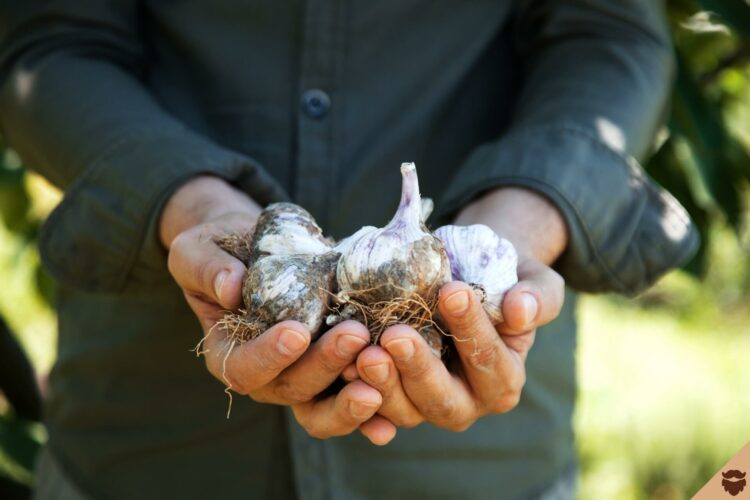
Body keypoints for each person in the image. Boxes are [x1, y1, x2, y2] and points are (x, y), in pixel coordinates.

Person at [0, 1, 698, 499]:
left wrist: (524, 216)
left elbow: (607, 32)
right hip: (144, 447)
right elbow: (48, 40)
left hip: (479, 473)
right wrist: (193, 204)